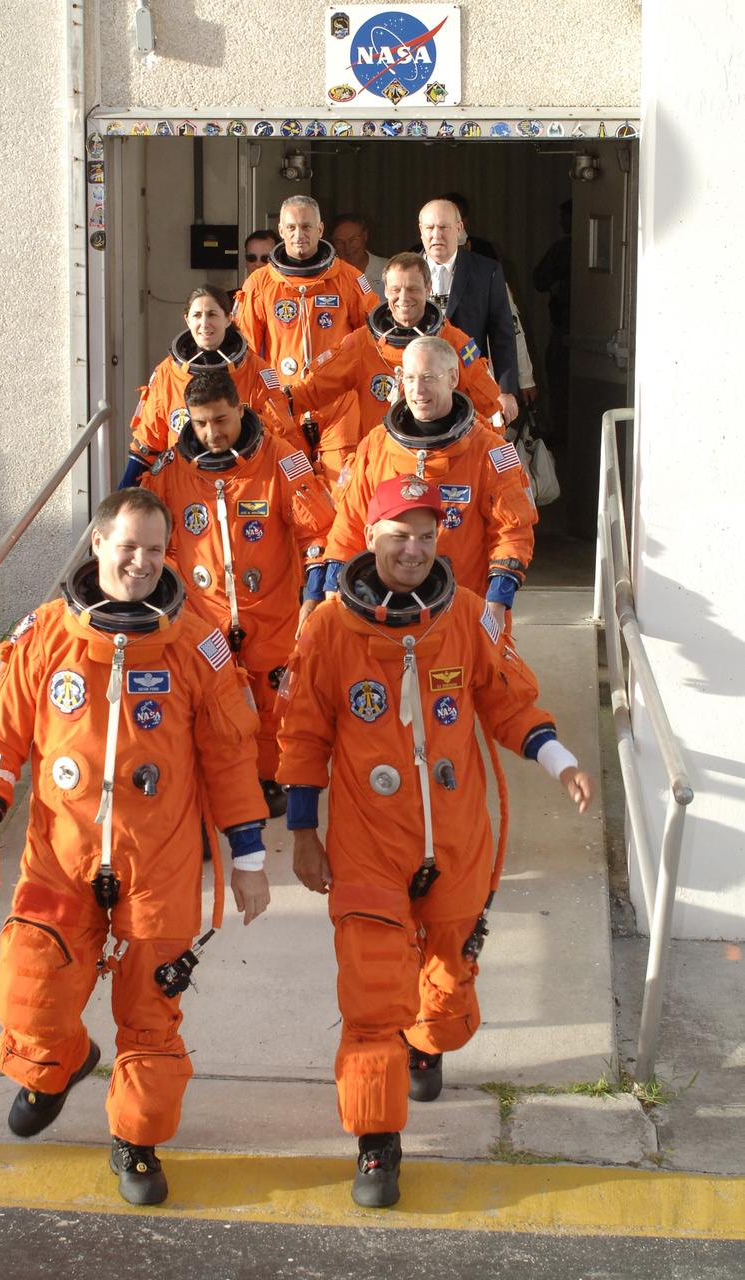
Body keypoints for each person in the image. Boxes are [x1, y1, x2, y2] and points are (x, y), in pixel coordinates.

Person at [277, 474, 594, 1207]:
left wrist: (560, 759)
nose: (413, 549)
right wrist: (301, 829)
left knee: (446, 998)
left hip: (456, 843)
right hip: (367, 847)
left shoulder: (470, 618)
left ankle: (427, 1040)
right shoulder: (328, 628)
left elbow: (511, 702)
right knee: (369, 996)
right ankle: (376, 1144)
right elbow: (302, 734)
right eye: (398, 535)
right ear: (371, 539)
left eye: (426, 536)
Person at [0, 487, 271, 1208]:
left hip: (155, 866)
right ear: (97, 544)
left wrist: (249, 859)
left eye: (156, 550)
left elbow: (230, 754)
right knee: (29, 994)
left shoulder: (197, 642)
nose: (140, 561)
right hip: (59, 860)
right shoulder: (41, 635)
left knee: (152, 1015)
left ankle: (137, 1141)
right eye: (127, 546)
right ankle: (56, 1063)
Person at [140, 369, 335, 817]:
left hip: (274, 612)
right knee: (210, 704)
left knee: (273, 701)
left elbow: (318, 530)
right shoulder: (171, 471)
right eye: (201, 423)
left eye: (221, 420)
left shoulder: (281, 460)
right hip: (204, 615)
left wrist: (314, 596)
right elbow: (162, 545)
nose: (212, 433)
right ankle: (214, 782)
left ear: (240, 409)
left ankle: (269, 778)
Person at [323, 337, 537, 637]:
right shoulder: (377, 445)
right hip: (386, 614)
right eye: (409, 378)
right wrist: (332, 593)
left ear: (452, 378)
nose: (417, 390)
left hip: (464, 615)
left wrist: (497, 603)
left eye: (428, 378)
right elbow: (349, 525)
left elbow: (513, 531)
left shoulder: (489, 451)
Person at [234, 195, 379, 483]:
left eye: (306, 227)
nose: (299, 235)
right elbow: (246, 354)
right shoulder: (260, 284)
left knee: (342, 485)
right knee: (291, 489)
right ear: (281, 229)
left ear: (320, 230)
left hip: (338, 404)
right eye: (292, 228)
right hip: (283, 404)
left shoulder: (349, 279)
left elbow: (373, 342)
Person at [286, 253, 503, 441]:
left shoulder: (453, 343)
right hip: (383, 457)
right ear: (386, 291)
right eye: (396, 289)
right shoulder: (364, 343)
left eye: (412, 289)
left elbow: (489, 407)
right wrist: (277, 404)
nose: (403, 298)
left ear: (428, 289)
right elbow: (315, 388)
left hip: (440, 458)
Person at [121, 284, 298, 488]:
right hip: (185, 485)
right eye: (197, 315)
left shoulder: (257, 371)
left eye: (212, 314)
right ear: (187, 319)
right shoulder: (167, 373)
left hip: (245, 485)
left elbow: (281, 436)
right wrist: (122, 498)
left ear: (228, 318)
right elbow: (147, 444)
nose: (204, 323)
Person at [418, 198, 519, 424]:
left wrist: (505, 390)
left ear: (459, 228)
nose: (437, 234)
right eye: (430, 227)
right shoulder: (406, 270)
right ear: (421, 231)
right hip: (418, 390)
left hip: (472, 383)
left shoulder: (486, 270)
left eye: (444, 227)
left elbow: (502, 335)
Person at [533, 199, 572, 446]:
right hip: (563, 325)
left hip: (568, 327)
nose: (562, 223)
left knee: (560, 384)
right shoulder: (562, 247)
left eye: (565, 217)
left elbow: (540, 279)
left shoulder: (565, 248)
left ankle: (563, 433)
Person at [330, 213, 388, 300]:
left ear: (365, 236)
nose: (347, 247)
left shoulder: (388, 269)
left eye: (353, 239)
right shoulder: (327, 275)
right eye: (340, 242)